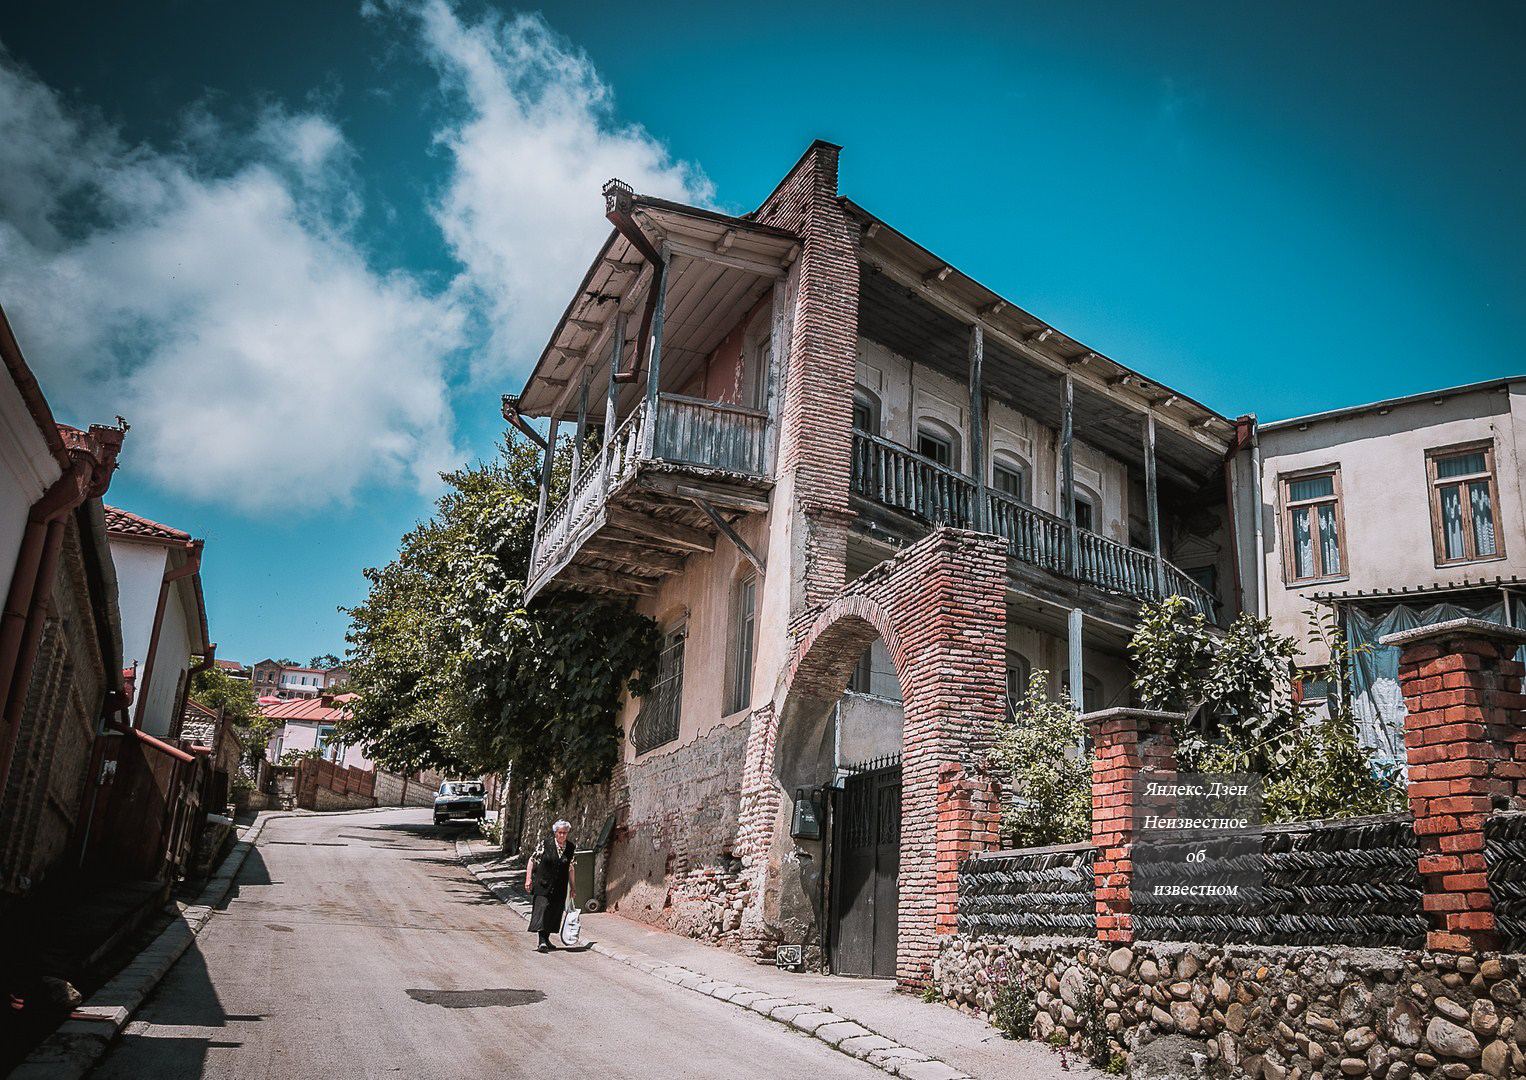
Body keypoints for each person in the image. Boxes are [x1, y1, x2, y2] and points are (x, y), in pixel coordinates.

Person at [524, 819, 576, 952]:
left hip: (559, 886)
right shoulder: (545, 844)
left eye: (565, 833)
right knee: (542, 910)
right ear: (555, 833)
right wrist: (528, 879)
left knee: (553, 912)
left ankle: (546, 939)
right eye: (560, 833)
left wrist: (573, 887)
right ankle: (541, 941)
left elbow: (571, 868)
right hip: (543, 884)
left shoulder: (570, 848)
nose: (562, 835)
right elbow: (532, 861)